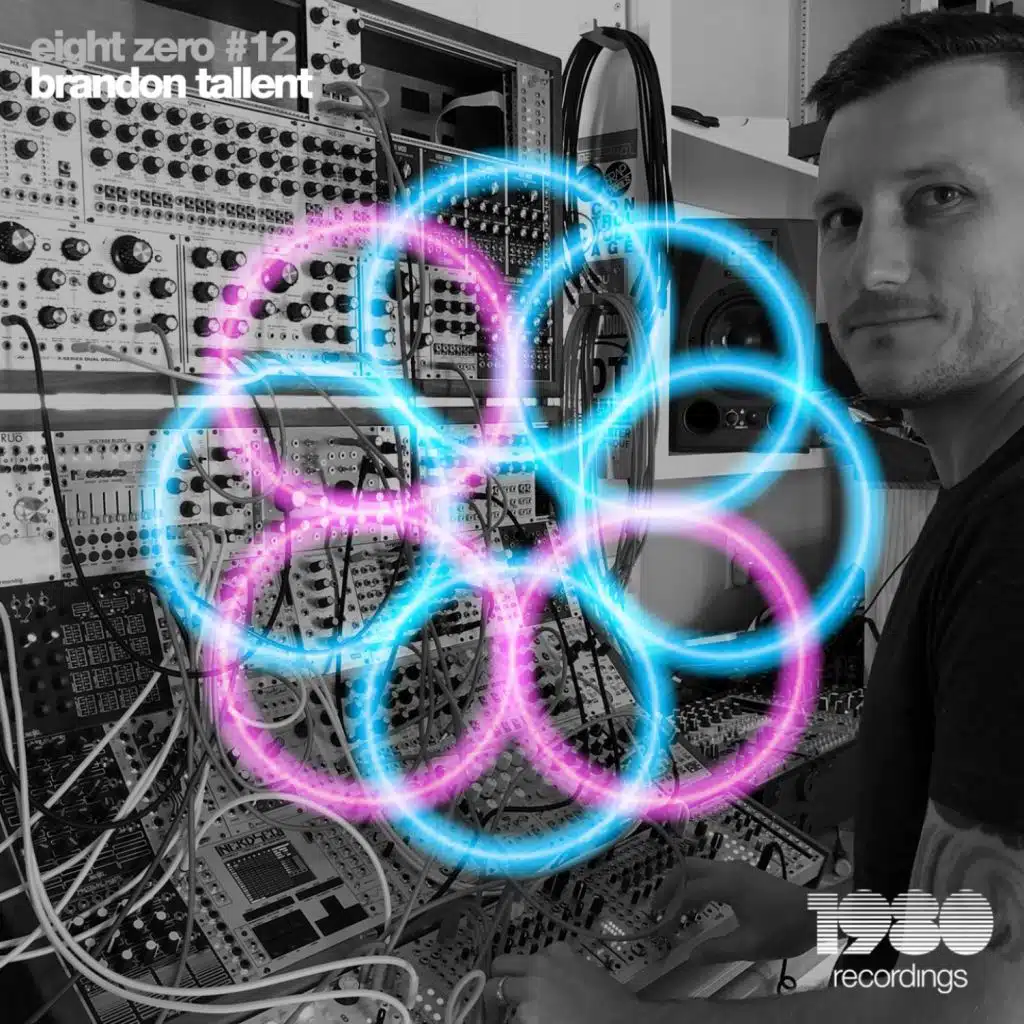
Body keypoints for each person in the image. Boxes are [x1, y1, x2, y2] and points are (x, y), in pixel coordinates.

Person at [484, 9, 1024, 1022]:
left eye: (940, 197)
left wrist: (633, 1022)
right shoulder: (985, 501)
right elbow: (981, 926)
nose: (874, 270)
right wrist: (818, 921)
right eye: (844, 217)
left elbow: (978, 1004)